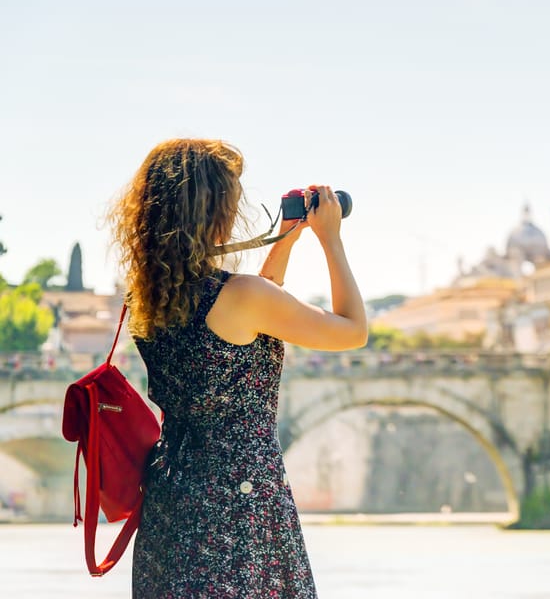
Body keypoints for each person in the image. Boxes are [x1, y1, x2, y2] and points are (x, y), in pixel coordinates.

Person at [108, 138, 367, 598]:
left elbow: (252, 317)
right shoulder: (242, 297)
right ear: (214, 212)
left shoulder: (147, 298)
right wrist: (330, 240)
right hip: (241, 503)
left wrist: (285, 241)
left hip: (173, 498)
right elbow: (352, 330)